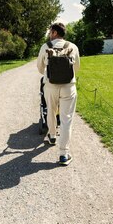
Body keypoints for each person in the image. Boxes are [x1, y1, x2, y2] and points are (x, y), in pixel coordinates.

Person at [36, 22, 80, 166]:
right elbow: (77, 68)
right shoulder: (72, 47)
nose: (49, 34)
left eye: (50, 32)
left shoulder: (45, 47)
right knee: (67, 119)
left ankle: (52, 136)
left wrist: (51, 74)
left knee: (51, 111)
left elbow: (40, 68)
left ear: (55, 32)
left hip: (50, 86)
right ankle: (63, 154)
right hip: (68, 86)